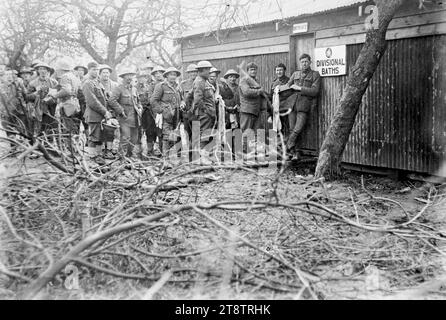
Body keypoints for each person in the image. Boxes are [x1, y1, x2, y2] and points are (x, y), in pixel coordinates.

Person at [286, 53, 321, 158]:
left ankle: (288, 145)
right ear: (300, 63)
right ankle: (295, 152)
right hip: (292, 105)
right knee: (292, 129)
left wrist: (300, 88)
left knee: (298, 129)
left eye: (306, 61)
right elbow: (288, 86)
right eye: (302, 62)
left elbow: (315, 91)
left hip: (304, 106)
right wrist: (280, 88)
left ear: (310, 62)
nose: (304, 64)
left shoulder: (315, 75)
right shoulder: (295, 74)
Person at [82, 61, 113, 165]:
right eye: (93, 69)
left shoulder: (97, 82)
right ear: (89, 70)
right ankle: (92, 157)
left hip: (100, 114)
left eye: (97, 70)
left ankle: (98, 155)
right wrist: (104, 111)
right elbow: (92, 101)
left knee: (100, 136)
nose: (96, 72)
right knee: (94, 136)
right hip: (93, 114)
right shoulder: (87, 83)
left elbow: (104, 99)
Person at [50, 58, 83, 155]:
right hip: (75, 104)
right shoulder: (75, 77)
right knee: (75, 128)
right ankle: (75, 150)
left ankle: (70, 152)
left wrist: (54, 95)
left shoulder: (64, 77)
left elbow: (66, 90)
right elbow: (80, 92)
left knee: (67, 128)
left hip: (67, 104)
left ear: (60, 69)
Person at [108, 68, 142, 158]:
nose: (130, 77)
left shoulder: (134, 89)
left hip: (135, 118)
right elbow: (111, 100)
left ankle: (129, 155)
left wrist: (140, 108)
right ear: (123, 77)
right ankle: (122, 157)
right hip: (124, 118)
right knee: (125, 137)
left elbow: (138, 102)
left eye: (131, 75)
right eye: (127, 75)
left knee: (134, 138)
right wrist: (120, 110)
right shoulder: (119, 88)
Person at [150, 67, 183, 156]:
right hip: (166, 116)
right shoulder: (161, 86)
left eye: (175, 75)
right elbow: (153, 100)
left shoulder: (178, 86)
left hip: (176, 115)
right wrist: (161, 111)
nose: (173, 77)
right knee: (166, 136)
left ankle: (174, 156)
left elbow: (181, 98)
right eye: (171, 75)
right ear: (167, 76)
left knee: (175, 134)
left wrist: (182, 103)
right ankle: (165, 157)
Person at [27, 62, 58, 137]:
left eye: (45, 69)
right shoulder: (32, 83)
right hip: (37, 110)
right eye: (40, 69)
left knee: (51, 129)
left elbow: (58, 95)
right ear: (38, 71)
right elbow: (28, 97)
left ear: (48, 71)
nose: (43, 71)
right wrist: (36, 93)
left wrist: (51, 97)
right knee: (38, 130)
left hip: (51, 109)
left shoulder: (54, 82)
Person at [190, 61, 216, 149]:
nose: (209, 71)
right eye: (208, 69)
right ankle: (202, 157)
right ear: (202, 70)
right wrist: (207, 111)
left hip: (206, 113)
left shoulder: (204, 81)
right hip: (204, 114)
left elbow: (190, 95)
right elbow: (197, 100)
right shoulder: (199, 81)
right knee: (204, 135)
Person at [239, 62, 268, 132]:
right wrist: (259, 91)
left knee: (256, 133)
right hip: (247, 111)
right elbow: (246, 92)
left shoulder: (256, 81)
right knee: (246, 132)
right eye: (251, 70)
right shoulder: (244, 80)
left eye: (255, 70)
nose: (253, 71)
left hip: (256, 111)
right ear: (247, 71)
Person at [98, 64, 119, 159]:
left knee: (110, 131)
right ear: (100, 74)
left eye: (107, 72)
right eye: (103, 72)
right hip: (99, 110)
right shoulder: (96, 84)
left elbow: (118, 98)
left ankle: (109, 150)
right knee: (100, 131)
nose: (105, 74)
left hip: (111, 111)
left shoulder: (115, 85)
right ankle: (102, 150)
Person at [136, 66, 156, 158]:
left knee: (150, 131)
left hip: (149, 112)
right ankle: (138, 151)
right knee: (138, 132)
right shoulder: (134, 88)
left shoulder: (150, 86)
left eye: (143, 77)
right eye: (140, 77)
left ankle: (150, 150)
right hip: (138, 112)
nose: (142, 79)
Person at [148, 65, 166, 155]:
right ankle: (154, 150)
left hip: (167, 111)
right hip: (156, 112)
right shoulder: (152, 86)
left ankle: (164, 150)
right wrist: (158, 110)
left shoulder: (167, 84)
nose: (158, 75)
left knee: (165, 131)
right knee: (156, 131)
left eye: (160, 73)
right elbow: (151, 99)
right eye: (156, 74)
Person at [270, 63, 291, 137]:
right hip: (276, 109)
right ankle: (279, 146)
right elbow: (271, 96)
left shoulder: (288, 81)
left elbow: (290, 94)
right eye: (277, 70)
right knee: (277, 128)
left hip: (285, 108)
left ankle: (287, 146)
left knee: (287, 127)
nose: (279, 72)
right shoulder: (274, 82)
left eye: (281, 70)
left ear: (284, 71)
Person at [180, 63, 198, 140]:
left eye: (195, 72)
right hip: (187, 113)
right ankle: (190, 151)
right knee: (188, 134)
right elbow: (180, 97)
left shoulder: (200, 83)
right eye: (191, 72)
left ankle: (196, 151)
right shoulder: (183, 84)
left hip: (197, 113)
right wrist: (182, 103)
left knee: (197, 134)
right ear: (188, 73)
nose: (193, 74)